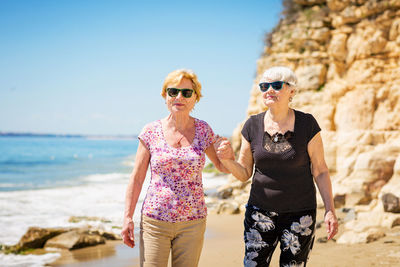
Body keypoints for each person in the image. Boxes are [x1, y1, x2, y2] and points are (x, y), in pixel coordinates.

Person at [214, 66, 338, 267]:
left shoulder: (307, 124)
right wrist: (228, 161)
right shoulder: (252, 125)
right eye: (264, 86)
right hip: (259, 213)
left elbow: (320, 170)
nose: (269, 90)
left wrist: (330, 210)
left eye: (276, 85)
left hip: (300, 214)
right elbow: (245, 173)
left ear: (292, 91)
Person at [121, 69, 230, 267]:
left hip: (193, 222)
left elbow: (222, 166)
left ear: (195, 98)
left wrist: (229, 155)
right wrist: (127, 217)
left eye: (186, 93)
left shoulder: (204, 130)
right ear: (165, 96)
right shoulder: (150, 131)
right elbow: (136, 178)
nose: (179, 97)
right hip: (155, 221)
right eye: (173, 92)